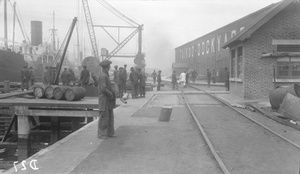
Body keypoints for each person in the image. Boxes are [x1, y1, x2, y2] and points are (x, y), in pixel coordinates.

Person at [98, 60, 116, 139]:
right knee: (104, 116)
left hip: (108, 99)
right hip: (104, 99)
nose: (110, 67)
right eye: (109, 66)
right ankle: (102, 134)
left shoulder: (106, 75)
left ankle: (109, 133)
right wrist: (111, 93)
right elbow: (103, 88)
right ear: (107, 67)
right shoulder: (103, 75)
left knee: (110, 116)